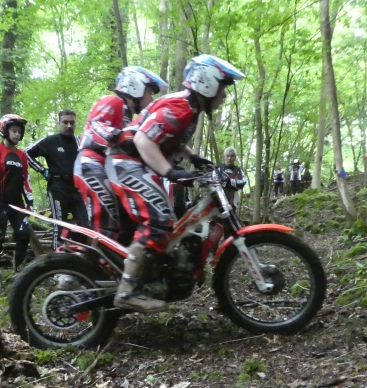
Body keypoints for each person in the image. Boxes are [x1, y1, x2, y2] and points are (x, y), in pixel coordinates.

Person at [108, 54, 246, 313]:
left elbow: (168, 136)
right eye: (223, 88)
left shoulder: (188, 108)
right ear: (207, 83)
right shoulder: (180, 107)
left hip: (133, 163)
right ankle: (127, 291)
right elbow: (143, 140)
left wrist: (193, 157)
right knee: (158, 220)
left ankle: (151, 273)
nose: (224, 95)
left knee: (167, 220)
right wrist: (170, 172)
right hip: (125, 162)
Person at [74, 66, 167, 242]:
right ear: (135, 87)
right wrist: (120, 136)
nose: (151, 99)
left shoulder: (128, 117)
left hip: (106, 167)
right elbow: (96, 125)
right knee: (108, 225)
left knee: (126, 224)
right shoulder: (113, 101)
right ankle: (87, 257)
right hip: (92, 163)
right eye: (150, 92)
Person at [25, 109, 88, 249]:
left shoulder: (80, 142)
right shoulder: (50, 141)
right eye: (65, 122)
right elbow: (26, 153)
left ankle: (80, 257)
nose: (69, 125)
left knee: (86, 227)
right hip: (58, 187)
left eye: (72, 122)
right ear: (59, 123)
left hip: (77, 188)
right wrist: (42, 170)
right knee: (59, 226)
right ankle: (55, 258)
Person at [0, 114, 33, 288]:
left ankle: (18, 271)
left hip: (17, 203)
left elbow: (25, 179)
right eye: (14, 131)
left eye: (19, 132)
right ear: (5, 130)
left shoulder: (22, 155)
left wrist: (30, 200)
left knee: (24, 234)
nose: (17, 135)